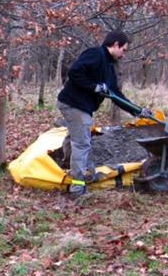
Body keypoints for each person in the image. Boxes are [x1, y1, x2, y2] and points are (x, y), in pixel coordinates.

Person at [57, 30, 151, 197]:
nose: (123, 54)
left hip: (80, 106)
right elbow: (74, 71)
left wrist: (137, 111)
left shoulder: (109, 67)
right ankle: (77, 187)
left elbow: (116, 95)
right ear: (115, 45)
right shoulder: (96, 54)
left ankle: (65, 163)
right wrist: (94, 86)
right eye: (124, 50)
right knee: (82, 144)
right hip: (74, 104)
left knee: (76, 138)